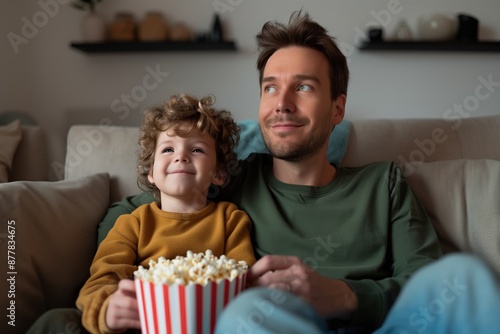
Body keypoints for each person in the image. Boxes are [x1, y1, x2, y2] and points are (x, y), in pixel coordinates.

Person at [75, 93, 256, 333]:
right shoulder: (132, 224)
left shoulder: (230, 220)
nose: (181, 156)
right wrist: (107, 308)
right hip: (144, 322)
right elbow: (101, 280)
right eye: (168, 149)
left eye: (198, 150)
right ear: (151, 172)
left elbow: (245, 281)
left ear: (219, 174)